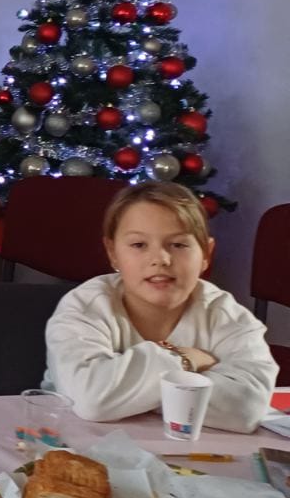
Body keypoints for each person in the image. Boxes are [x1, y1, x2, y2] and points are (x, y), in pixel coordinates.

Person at [44, 182, 274, 431]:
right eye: (138, 245)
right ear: (113, 253)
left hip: (195, 450)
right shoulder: (85, 307)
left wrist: (129, 394)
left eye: (178, 245)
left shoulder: (226, 315)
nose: (160, 259)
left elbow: (248, 409)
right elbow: (91, 400)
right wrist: (185, 360)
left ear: (206, 254)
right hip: (74, 442)